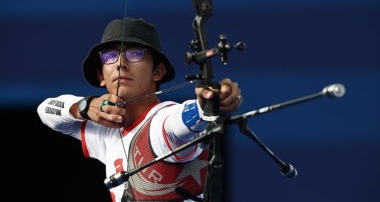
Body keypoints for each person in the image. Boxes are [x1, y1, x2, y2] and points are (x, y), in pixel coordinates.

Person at [37, 17, 242, 202]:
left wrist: (209, 103)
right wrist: (85, 106)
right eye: (110, 56)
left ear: (157, 72)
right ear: (101, 76)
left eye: (134, 54)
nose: (120, 64)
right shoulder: (106, 130)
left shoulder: (164, 120)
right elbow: (45, 111)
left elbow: (183, 120)